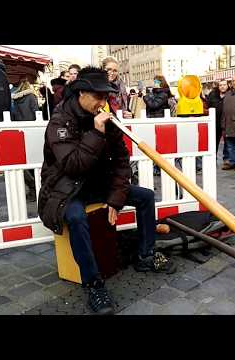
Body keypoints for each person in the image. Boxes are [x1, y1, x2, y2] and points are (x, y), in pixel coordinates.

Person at [38, 66, 176, 314]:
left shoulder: (106, 116)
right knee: (77, 218)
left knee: (145, 196)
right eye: (98, 97)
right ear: (81, 93)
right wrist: (96, 132)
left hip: (97, 184)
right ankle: (94, 285)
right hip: (67, 188)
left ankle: (145, 255)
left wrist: (115, 199)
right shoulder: (60, 121)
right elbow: (73, 166)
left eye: (106, 97)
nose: (103, 102)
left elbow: (122, 161)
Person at [12, 78, 40, 202]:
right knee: (35, 162)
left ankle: (33, 188)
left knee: (23, 163)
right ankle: (37, 187)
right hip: (32, 131)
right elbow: (36, 113)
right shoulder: (31, 97)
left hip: (18, 131)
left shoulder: (14, 99)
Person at [207, 79, 229, 156]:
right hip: (215, 123)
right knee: (214, 142)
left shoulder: (230, 94)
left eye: (224, 85)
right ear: (218, 86)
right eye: (220, 85)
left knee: (228, 143)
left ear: (227, 85)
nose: (222, 87)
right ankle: (213, 157)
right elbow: (207, 106)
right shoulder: (212, 94)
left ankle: (226, 159)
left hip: (227, 123)